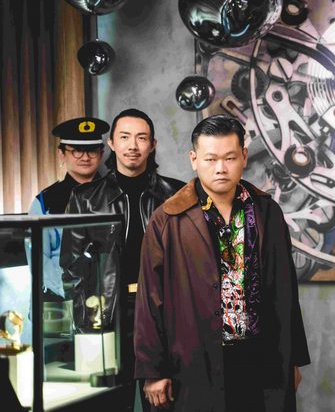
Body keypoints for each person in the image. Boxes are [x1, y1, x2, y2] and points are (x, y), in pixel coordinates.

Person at [134, 115, 310, 412]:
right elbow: (150, 300)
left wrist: (292, 359)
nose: (220, 168)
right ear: (194, 159)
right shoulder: (168, 219)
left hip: (260, 357)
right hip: (194, 359)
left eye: (229, 158)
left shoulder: (267, 211)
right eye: (210, 159)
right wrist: (153, 370)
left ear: (244, 156)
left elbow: (285, 291)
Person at [60, 108, 184, 411]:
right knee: (108, 404)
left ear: (152, 145)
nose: (133, 146)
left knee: (165, 401)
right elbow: (72, 269)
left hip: (161, 313)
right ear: (112, 143)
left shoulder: (177, 194)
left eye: (141, 138)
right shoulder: (85, 198)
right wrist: (88, 323)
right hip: (108, 315)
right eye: (125, 137)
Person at [27, 117, 108, 301]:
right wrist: (72, 289)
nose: (85, 157)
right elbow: (39, 261)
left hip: (107, 299)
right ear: (62, 154)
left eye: (92, 150)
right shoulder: (45, 202)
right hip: (61, 299)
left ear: (101, 154)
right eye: (77, 151)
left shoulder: (116, 196)